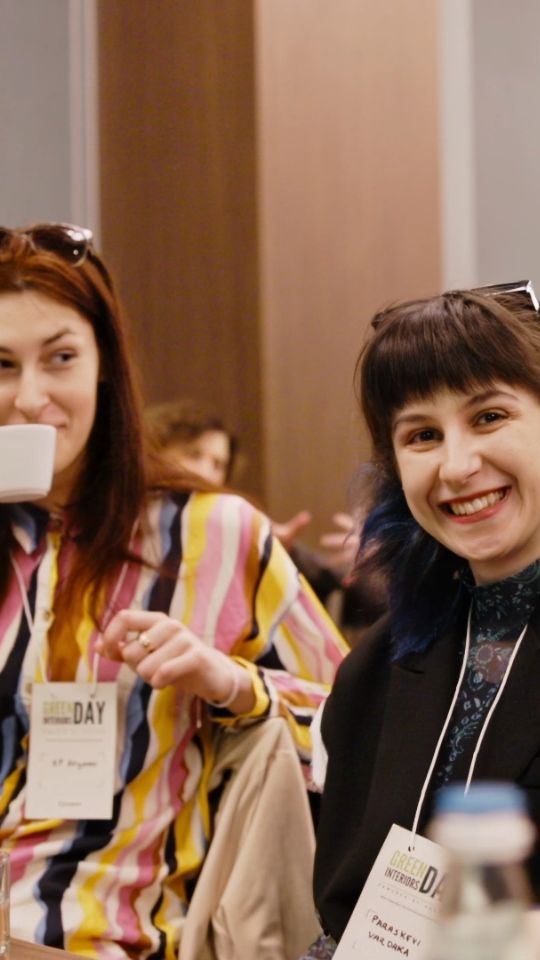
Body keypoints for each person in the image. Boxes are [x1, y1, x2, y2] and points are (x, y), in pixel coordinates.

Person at [0, 223, 347, 958]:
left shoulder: (212, 534)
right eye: (1, 365)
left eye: (60, 358)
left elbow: (358, 729)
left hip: (106, 942)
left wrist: (232, 684)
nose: (30, 398)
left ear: (103, 364)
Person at [304, 280, 540, 957]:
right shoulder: (374, 670)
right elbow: (343, 915)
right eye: (423, 435)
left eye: (489, 417)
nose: (457, 466)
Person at [145, 401, 385, 639]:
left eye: (218, 464)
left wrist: (275, 552)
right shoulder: (130, 523)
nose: (206, 472)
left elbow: (338, 591)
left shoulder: (233, 524)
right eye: (193, 454)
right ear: (154, 451)